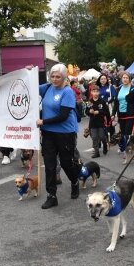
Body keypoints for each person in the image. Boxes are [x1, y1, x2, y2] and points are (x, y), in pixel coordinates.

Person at [37, 64, 80, 209]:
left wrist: (43, 121)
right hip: (48, 133)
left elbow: (63, 115)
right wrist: (29, 71)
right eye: (52, 76)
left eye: (58, 77)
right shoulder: (47, 88)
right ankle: (52, 196)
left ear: (64, 78)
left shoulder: (67, 92)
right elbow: (29, 87)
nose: (54, 79)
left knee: (67, 163)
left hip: (65, 133)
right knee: (50, 165)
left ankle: (74, 181)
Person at [86, 85, 111, 158]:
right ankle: (96, 152)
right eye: (94, 91)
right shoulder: (90, 102)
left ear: (99, 92)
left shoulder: (102, 101)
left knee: (102, 137)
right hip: (93, 123)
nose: (95, 93)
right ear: (91, 92)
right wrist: (89, 111)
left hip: (101, 122)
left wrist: (99, 112)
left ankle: (105, 145)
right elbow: (86, 111)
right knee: (94, 138)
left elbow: (106, 111)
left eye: (97, 91)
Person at [114, 72, 134, 158]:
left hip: (130, 114)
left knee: (127, 133)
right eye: (123, 78)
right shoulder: (118, 89)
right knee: (122, 133)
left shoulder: (133, 88)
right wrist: (113, 114)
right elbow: (116, 102)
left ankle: (128, 150)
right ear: (121, 79)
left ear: (129, 79)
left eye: (127, 78)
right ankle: (127, 149)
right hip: (121, 114)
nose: (125, 79)